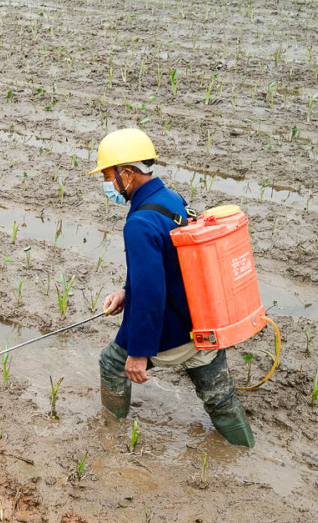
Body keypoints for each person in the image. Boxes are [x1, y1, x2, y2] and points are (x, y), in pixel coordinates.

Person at [88, 128, 254, 448]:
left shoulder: (139, 223)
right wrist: (126, 290)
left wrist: (138, 353)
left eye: (108, 176)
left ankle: (112, 435)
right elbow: (169, 259)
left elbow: (150, 296)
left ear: (127, 173)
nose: (107, 184)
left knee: (112, 363)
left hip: (172, 327)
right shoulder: (171, 199)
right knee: (220, 400)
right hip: (202, 319)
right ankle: (244, 450)